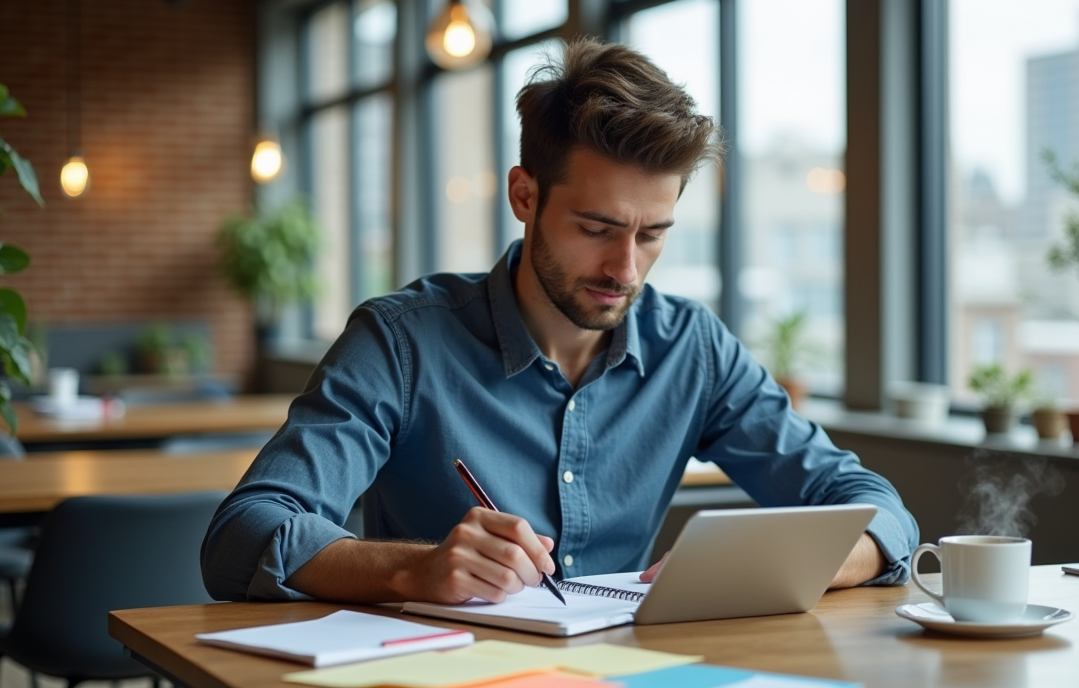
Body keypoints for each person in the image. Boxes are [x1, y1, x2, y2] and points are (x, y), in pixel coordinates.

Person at [202, 36, 918, 611]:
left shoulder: (691, 348)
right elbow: (242, 535)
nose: (625, 269)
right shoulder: (402, 342)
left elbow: (880, 514)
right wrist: (413, 570)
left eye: (652, 234)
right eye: (597, 228)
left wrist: (774, 565)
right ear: (525, 195)